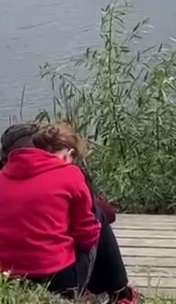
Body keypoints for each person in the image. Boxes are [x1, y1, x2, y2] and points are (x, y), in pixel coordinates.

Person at [0, 122, 138, 303]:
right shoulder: (70, 174)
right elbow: (87, 236)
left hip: (9, 279)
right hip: (60, 281)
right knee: (98, 219)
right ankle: (120, 294)